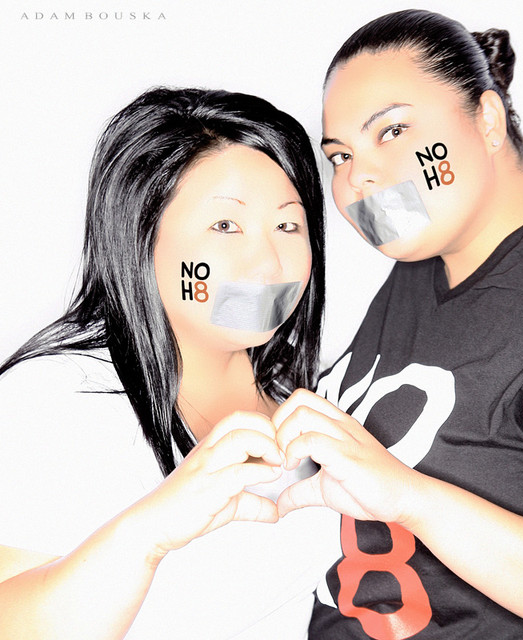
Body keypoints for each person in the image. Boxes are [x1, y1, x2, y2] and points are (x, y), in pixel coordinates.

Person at [271, 9, 523, 640]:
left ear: (487, 121)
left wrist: (408, 497)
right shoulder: (430, 254)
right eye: (340, 155)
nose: (357, 177)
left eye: (392, 131)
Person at [0, 87, 339, 639]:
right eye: (225, 226)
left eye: (288, 226)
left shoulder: (314, 396)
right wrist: (152, 531)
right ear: (142, 235)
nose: (268, 263)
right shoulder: (57, 398)